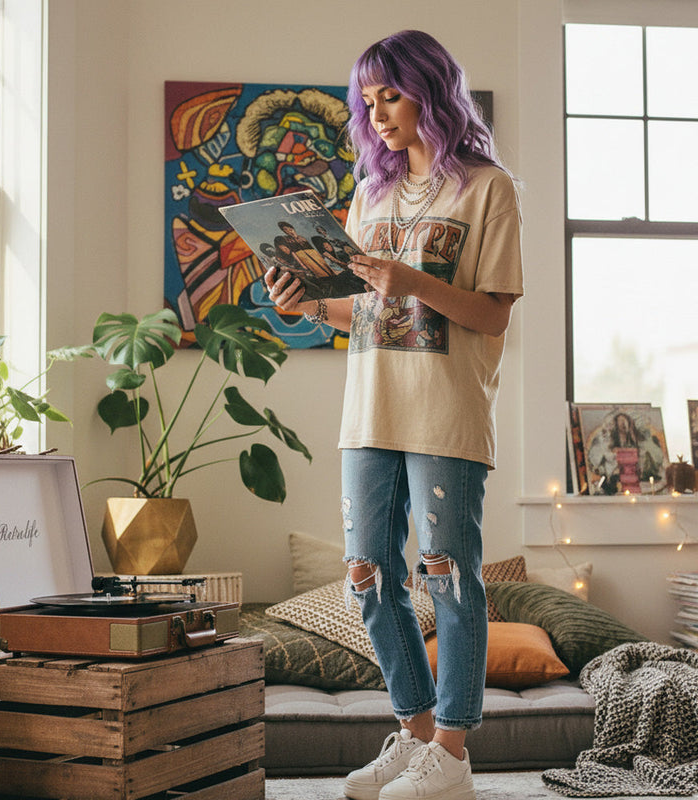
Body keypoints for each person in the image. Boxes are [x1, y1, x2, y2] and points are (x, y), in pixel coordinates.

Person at [265, 29, 523, 800]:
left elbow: (492, 314)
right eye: (367, 100)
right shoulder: (368, 193)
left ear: (430, 91)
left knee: (449, 581)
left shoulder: (487, 188)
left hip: (446, 415)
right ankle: (415, 738)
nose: (377, 113)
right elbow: (370, 315)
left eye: (391, 95)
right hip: (367, 414)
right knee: (368, 579)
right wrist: (311, 302)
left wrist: (410, 280)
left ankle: (453, 753)